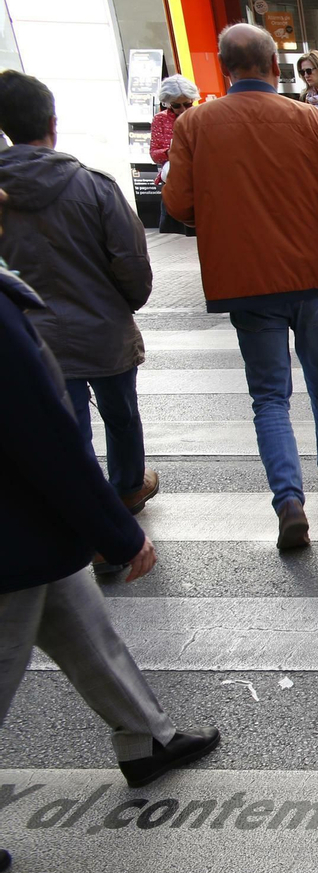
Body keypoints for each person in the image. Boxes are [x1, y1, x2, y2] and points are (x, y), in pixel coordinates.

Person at [0, 240, 219, 873]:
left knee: (80, 621)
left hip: (29, 532)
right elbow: (44, 433)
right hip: (12, 530)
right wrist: (118, 532)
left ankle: (144, 736)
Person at [163, 23, 318, 550]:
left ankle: (289, 501)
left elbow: (177, 205)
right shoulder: (312, 121)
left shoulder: (196, 124)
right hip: (313, 276)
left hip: (246, 282)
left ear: (224, 68)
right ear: (275, 66)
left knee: (269, 397)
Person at [0, 71, 159, 550]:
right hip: (103, 327)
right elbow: (132, 262)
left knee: (68, 429)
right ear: (52, 121)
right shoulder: (94, 186)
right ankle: (129, 487)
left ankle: (88, 514)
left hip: (31, 337)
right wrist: (122, 305)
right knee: (121, 414)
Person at [148, 74, 198, 235]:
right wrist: (171, 152)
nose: (182, 109)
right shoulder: (160, 120)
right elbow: (154, 154)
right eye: (176, 106)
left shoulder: (201, 115)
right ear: (168, 103)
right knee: (179, 231)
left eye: (187, 104)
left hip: (199, 179)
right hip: (175, 179)